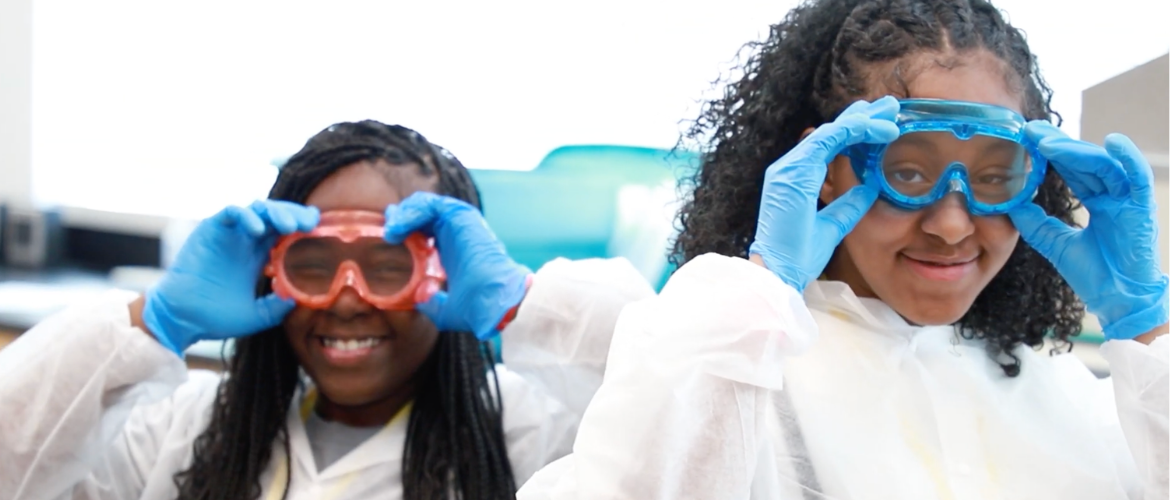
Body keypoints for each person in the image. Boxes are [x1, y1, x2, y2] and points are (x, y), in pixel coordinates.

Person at [518, 1, 1168, 498]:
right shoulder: (726, 366)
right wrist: (761, 289)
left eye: (994, 174)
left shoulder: (1053, 390)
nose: (950, 223)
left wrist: (1147, 333)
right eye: (907, 172)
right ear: (825, 166)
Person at [0, 121, 655, 500]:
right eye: (311, 265)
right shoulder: (189, 430)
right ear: (266, 273)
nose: (345, 297)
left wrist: (526, 303)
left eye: (387, 265)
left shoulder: (532, 436)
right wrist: (155, 321)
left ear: (449, 272)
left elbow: (691, 418)